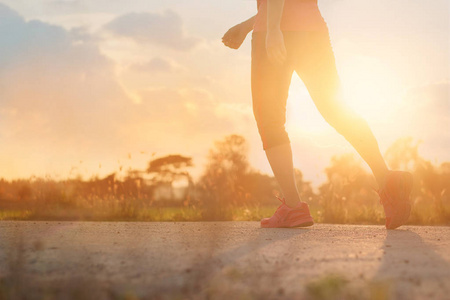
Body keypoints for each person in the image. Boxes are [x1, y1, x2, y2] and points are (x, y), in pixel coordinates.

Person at [221, 0, 413, 229]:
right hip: (313, 32)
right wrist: (246, 26)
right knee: (336, 109)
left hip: (275, 32)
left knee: (269, 119)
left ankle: (293, 207)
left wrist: (272, 30)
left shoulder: (273, 31)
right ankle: (386, 179)